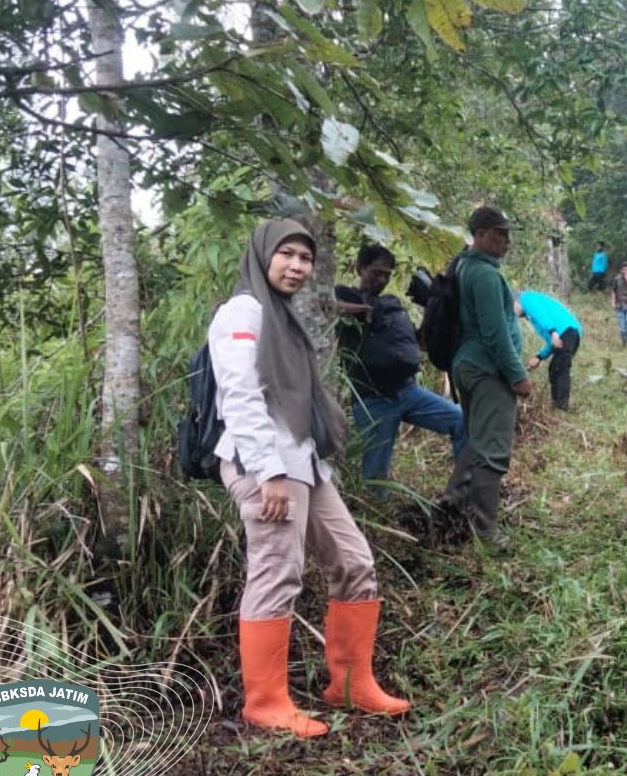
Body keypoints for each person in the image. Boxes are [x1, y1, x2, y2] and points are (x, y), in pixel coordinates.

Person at [208, 219, 410, 739]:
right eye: (287, 255)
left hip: (302, 461)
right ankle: (265, 702)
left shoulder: (283, 315)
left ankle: (351, 683)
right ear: (263, 256)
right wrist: (267, 472)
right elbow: (241, 396)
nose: (297, 266)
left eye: (305, 258)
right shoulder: (243, 312)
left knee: (354, 560)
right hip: (266, 464)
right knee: (277, 571)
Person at [335, 244, 465, 496]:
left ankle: (460, 494)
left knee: (462, 421)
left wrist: (434, 308)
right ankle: (374, 516)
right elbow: (326, 304)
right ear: (360, 268)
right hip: (373, 400)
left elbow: (417, 343)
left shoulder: (391, 306)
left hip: (409, 392)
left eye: (386, 275)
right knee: (375, 477)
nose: (381, 280)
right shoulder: (345, 295)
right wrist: (365, 310)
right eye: (376, 272)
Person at [442, 206, 531, 549]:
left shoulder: (466, 265)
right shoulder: (484, 275)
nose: (507, 242)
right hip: (487, 369)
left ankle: (452, 501)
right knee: (492, 451)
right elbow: (495, 333)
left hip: (468, 364)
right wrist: (517, 375)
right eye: (500, 234)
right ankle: (486, 533)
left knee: (479, 441)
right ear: (480, 235)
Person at [515, 290, 582, 411]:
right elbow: (552, 342)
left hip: (568, 331)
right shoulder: (533, 318)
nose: (514, 313)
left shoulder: (525, 298)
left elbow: (541, 314)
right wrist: (539, 357)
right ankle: (556, 405)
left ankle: (562, 406)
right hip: (567, 334)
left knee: (560, 368)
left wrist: (553, 332)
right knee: (554, 369)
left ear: (516, 301)